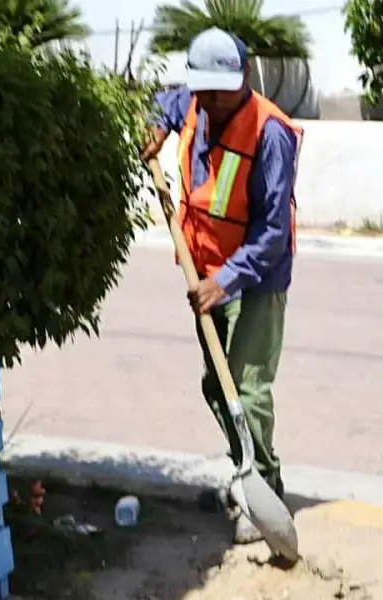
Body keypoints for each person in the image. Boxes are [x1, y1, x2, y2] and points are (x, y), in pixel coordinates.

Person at [141, 27, 302, 544]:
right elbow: (165, 104)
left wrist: (225, 281)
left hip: (253, 277)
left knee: (247, 388)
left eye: (219, 90)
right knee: (217, 386)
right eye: (202, 90)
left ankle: (267, 491)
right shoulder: (195, 99)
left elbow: (273, 233)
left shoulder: (270, 132)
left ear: (245, 75)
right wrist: (155, 125)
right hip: (203, 271)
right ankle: (244, 473)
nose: (208, 101)